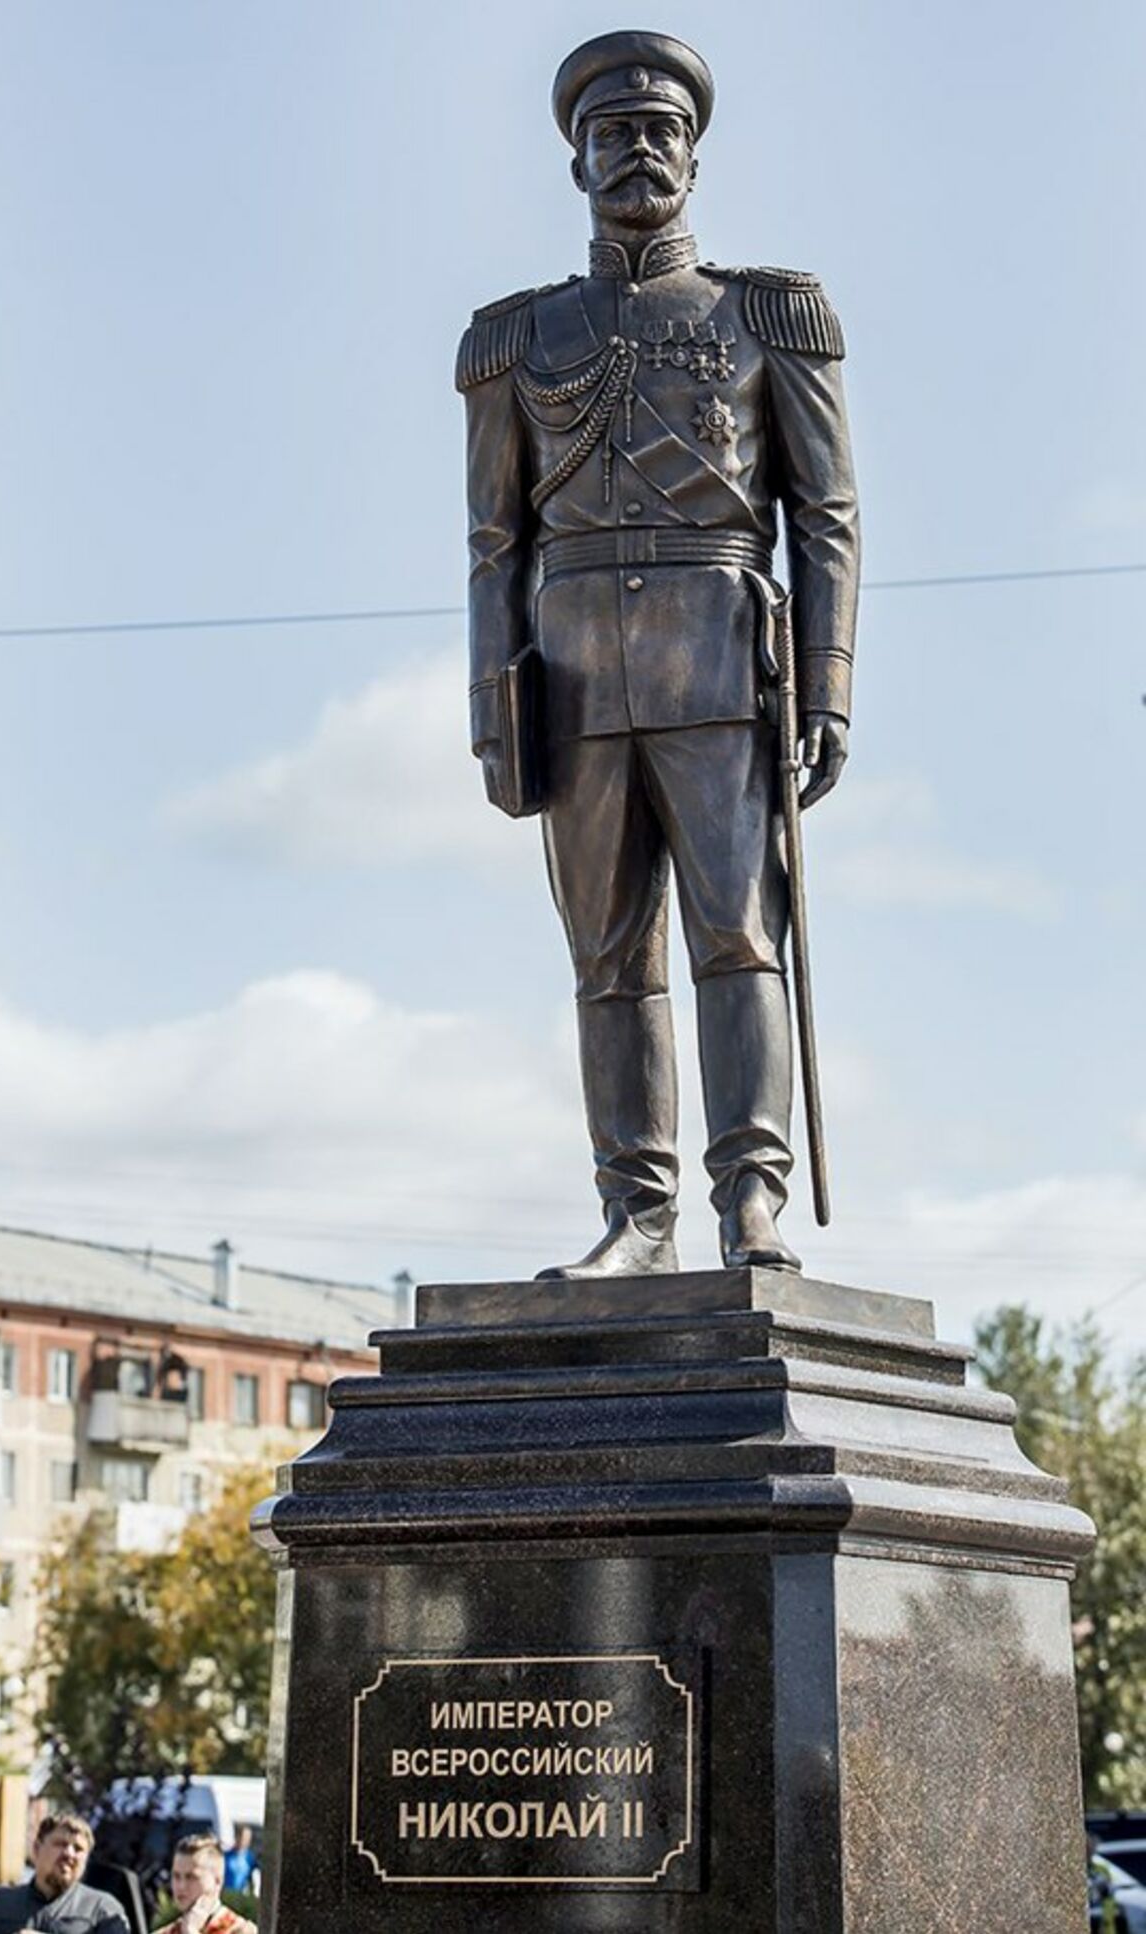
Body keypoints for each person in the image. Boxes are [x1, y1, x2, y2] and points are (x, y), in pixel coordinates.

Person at [457, 30, 860, 1277]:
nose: (636, 150)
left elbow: (825, 512)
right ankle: (635, 1214)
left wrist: (831, 685)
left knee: (738, 935)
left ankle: (749, 1199)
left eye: (659, 131)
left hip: (720, 663)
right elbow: (492, 539)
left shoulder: (764, 316)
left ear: (693, 153)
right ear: (574, 162)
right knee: (606, 954)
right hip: (571, 673)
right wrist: (492, 701)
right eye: (610, 133)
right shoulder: (515, 342)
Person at [0, 1817, 126, 1934]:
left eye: (78, 1849)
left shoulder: (103, 1911)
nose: (69, 1853)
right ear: (36, 1849)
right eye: (60, 1844)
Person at [159, 1839, 253, 1934]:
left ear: (217, 1881)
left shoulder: (242, 1930)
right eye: (176, 1876)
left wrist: (190, 1930)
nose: (181, 1886)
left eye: (191, 1877)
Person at [217, 1835, 252, 1903]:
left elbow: (253, 1875)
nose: (243, 1842)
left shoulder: (249, 1857)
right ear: (236, 1838)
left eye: (246, 1839)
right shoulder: (226, 1856)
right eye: (242, 1839)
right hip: (226, 1895)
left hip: (240, 1897)